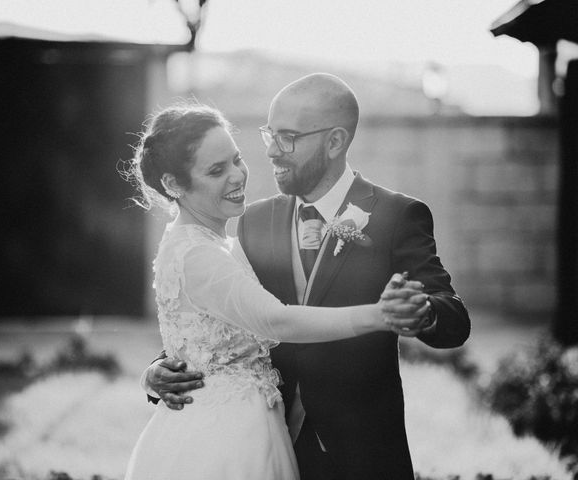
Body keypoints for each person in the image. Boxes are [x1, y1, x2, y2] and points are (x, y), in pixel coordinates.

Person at [144, 73, 472, 480]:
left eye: (288, 138)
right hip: (264, 445)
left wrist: (422, 313)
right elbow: (224, 312)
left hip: (363, 457)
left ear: (334, 141)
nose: (272, 152)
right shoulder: (253, 221)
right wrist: (159, 369)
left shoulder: (396, 216)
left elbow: (454, 319)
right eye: (269, 135)